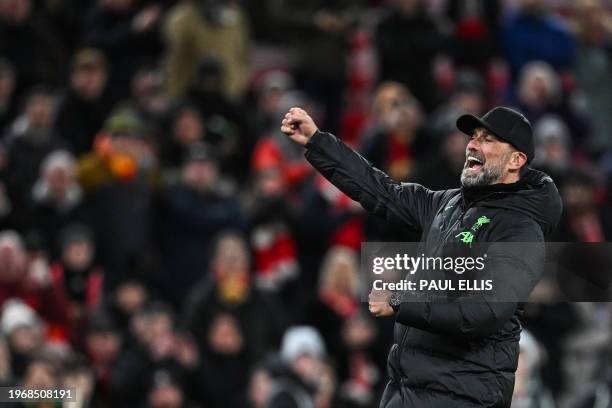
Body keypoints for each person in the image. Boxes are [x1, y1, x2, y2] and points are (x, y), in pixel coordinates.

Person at [280, 106, 562, 406]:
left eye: (489, 139)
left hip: (463, 396)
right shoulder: (447, 205)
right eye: (474, 136)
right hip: (409, 389)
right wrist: (317, 140)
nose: (473, 144)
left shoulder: (520, 230)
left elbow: (485, 312)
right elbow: (380, 190)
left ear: (516, 160)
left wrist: (402, 301)